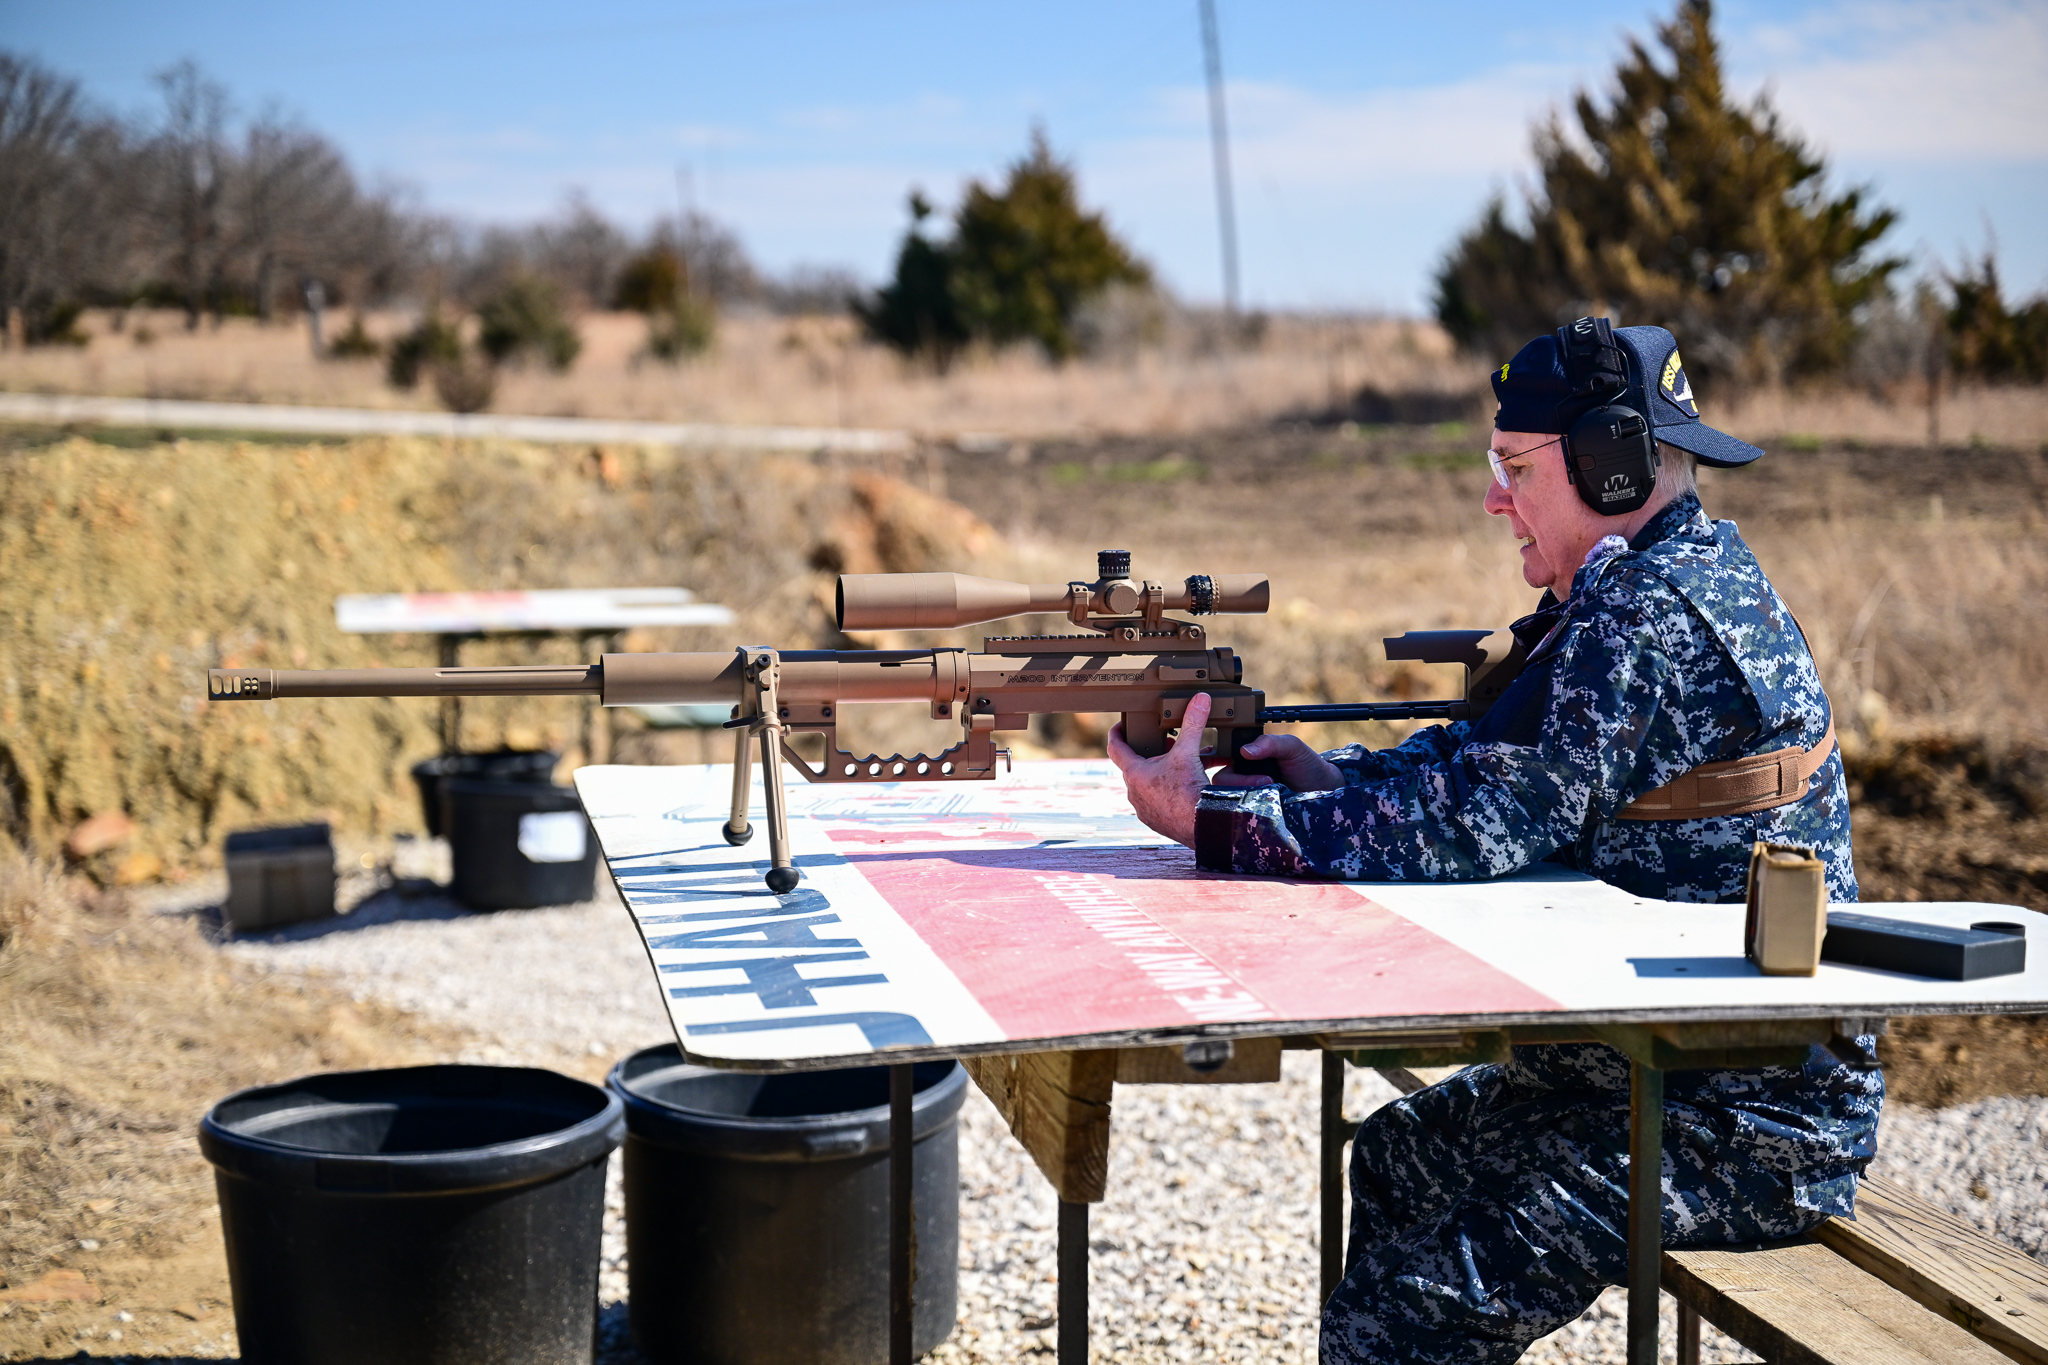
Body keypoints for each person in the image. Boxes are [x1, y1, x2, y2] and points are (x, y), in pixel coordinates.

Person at [1108, 318, 1881, 1365]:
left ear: (1609, 465)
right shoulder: (1642, 581)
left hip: (1747, 1121)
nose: (1492, 498)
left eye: (1515, 468)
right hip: (1657, 1073)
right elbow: (1490, 759)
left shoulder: (1650, 616)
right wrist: (1329, 781)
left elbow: (1486, 821)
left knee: (1414, 1310)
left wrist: (1207, 822)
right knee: (1397, 1157)